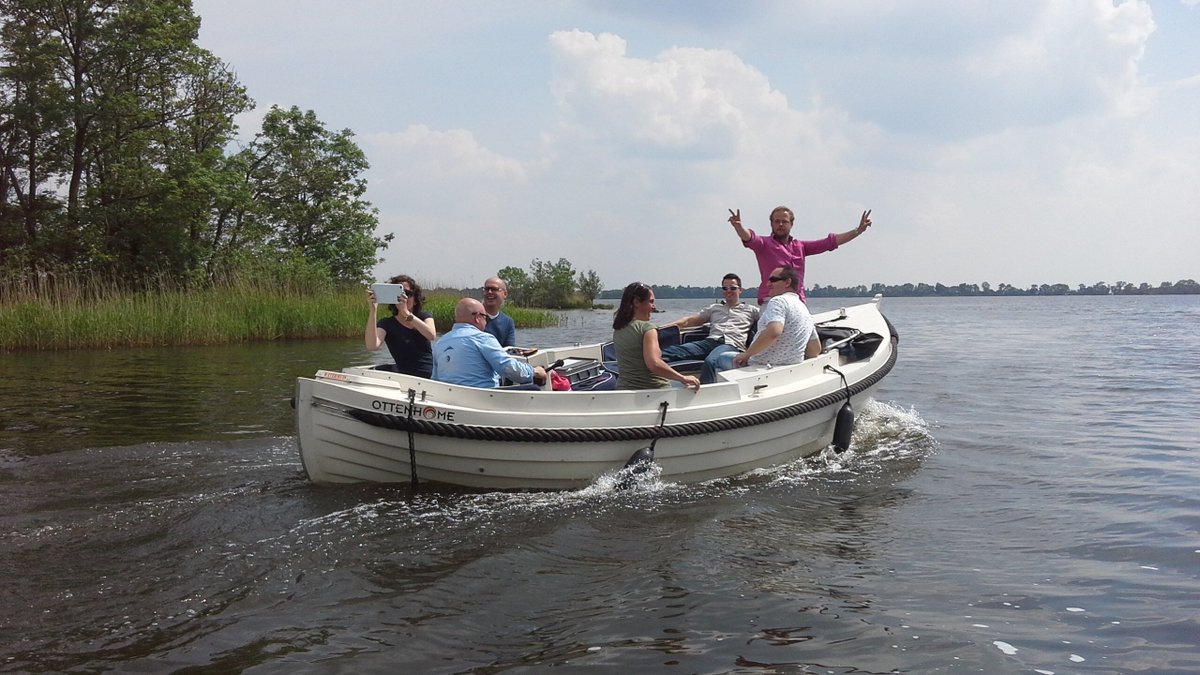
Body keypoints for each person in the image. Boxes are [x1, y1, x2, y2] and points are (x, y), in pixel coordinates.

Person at [728, 205, 873, 304]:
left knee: (809, 336)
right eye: (777, 221)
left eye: (784, 221)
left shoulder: (800, 246)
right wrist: (738, 227)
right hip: (771, 300)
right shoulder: (763, 244)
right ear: (771, 224)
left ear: (791, 224)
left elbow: (830, 242)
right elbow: (749, 238)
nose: (780, 224)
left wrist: (858, 231)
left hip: (797, 300)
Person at [713, 266, 821, 377]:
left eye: (773, 280)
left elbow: (774, 331)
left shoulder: (778, 301)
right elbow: (815, 350)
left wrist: (746, 355)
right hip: (790, 369)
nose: (768, 284)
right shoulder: (803, 308)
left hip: (760, 366)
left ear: (787, 282)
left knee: (720, 358)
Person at [659, 273, 760, 384]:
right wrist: (660, 329)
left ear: (740, 290)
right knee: (667, 352)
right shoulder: (714, 308)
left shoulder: (751, 310)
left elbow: (769, 323)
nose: (728, 291)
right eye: (725, 288)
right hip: (709, 342)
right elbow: (688, 321)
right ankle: (654, 383)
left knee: (711, 361)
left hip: (730, 345)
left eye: (732, 288)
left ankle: (705, 391)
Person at [433, 298, 546, 388]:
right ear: (477, 317)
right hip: (485, 398)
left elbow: (435, 379)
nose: (486, 321)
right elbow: (508, 368)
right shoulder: (482, 338)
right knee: (534, 389)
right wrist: (534, 371)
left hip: (451, 399)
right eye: (485, 317)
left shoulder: (440, 343)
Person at [611, 282, 701, 391]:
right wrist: (683, 378)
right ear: (636, 302)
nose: (654, 307)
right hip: (654, 390)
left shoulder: (618, 329)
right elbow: (654, 364)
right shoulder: (648, 329)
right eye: (651, 302)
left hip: (623, 389)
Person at [365, 274, 436, 377]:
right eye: (399, 294)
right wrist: (373, 310)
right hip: (405, 378)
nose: (404, 297)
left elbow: (431, 335)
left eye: (408, 294)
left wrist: (406, 313)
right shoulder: (387, 324)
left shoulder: (424, 317)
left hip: (431, 376)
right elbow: (372, 346)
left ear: (415, 300)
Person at [481, 276, 517, 347]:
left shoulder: (508, 322)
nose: (489, 292)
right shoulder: (473, 316)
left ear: (505, 294)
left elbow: (509, 349)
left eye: (494, 289)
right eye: (487, 289)